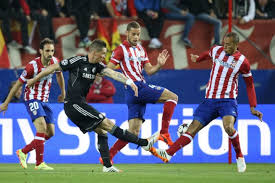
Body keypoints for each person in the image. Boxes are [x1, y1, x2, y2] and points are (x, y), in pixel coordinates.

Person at [25, 39, 160, 172]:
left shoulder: (98, 66)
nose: (104, 57)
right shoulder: (77, 61)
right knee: (107, 124)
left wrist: (129, 81)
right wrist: (34, 79)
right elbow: (53, 68)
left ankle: (107, 166)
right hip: (73, 105)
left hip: (81, 105)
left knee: (102, 131)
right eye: (102, 54)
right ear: (94, 52)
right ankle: (144, 143)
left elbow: (112, 73)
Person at [152, 32, 263, 173]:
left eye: (228, 45)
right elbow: (208, 53)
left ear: (236, 45)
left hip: (227, 101)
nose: (225, 46)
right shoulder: (217, 50)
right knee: (192, 129)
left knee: (228, 127)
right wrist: (198, 59)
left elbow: (250, 85)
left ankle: (240, 156)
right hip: (209, 100)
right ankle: (168, 153)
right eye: (224, 43)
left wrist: (253, 107)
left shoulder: (243, 62)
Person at [104, 21, 178, 164]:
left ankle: (108, 156)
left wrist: (159, 65)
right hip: (136, 87)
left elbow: (149, 70)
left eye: (138, 34)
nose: (136, 37)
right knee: (173, 97)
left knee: (133, 133)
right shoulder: (120, 50)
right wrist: (124, 80)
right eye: (133, 34)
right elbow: (108, 69)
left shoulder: (140, 49)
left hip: (135, 92)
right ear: (127, 33)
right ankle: (164, 133)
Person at [0, 38, 66, 170]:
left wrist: (63, 93)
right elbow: (17, 85)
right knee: (41, 127)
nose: (50, 53)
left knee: (51, 132)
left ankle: (23, 152)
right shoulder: (32, 66)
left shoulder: (55, 62)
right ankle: (39, 163)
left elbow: (59, 76)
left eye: (52, 50)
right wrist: (6, 103)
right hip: (31, 98)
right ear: (40, 51)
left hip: (45, 100)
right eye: (47, 50)